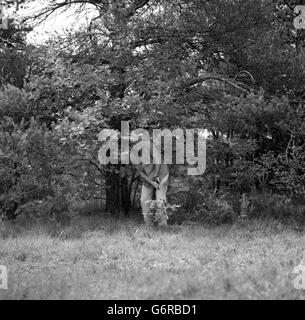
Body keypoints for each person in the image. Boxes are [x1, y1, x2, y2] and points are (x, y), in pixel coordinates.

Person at [131, 137, 169, 226]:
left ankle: (162, 226)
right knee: (143, 200)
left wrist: (156, 177)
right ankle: (149, 225)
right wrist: (152, 182)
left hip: (161, 174)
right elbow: (141, 173)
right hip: (149, 178)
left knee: (160, 200)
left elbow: (158, 161)